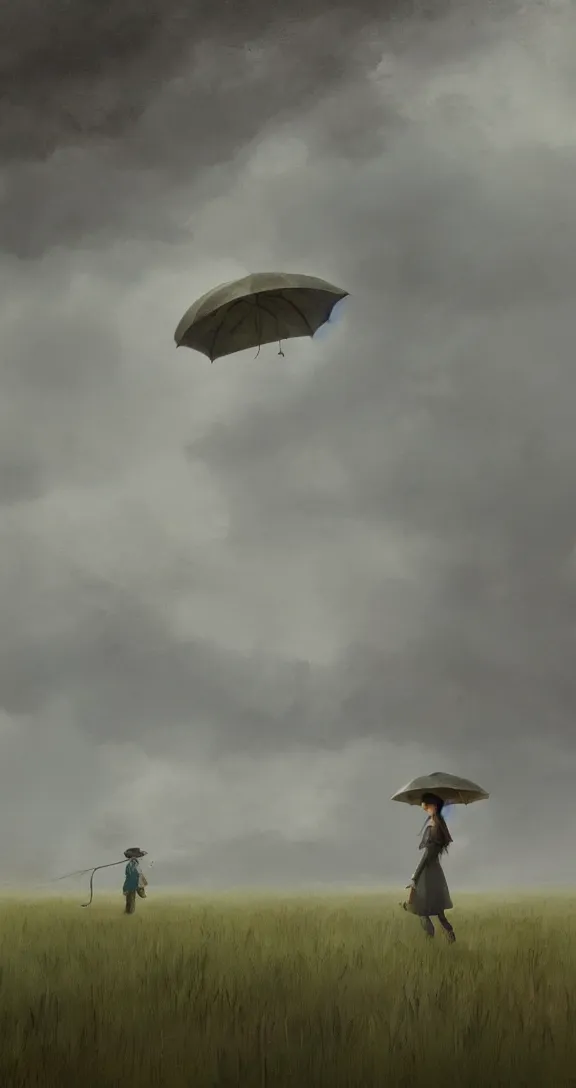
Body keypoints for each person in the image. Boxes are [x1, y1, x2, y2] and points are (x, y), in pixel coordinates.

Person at [402, 793, 455, 942]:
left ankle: (430, 938)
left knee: (421, 909)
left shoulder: (434, 828)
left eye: (428, 807)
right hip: (435, 872)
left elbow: (426, 856)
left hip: (428, 873)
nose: (425, 809)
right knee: (439, 912)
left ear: (434, 807)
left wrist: (415, 876)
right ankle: (450, 939)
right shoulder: (438, 826)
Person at [122, 847, 148, 914]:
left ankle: (129, 912)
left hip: (132, 884)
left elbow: (139, 874)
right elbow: (132, 876)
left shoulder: (135, 864)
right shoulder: (131, 865)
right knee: (130, 899)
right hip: (131, 885)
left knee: (131, 899)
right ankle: (129, 912)